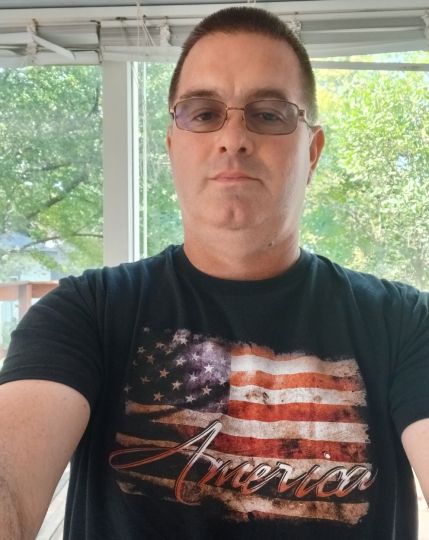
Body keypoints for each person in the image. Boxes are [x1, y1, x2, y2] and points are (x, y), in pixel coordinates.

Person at [0, 6, 428, 540]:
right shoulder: (84, 313)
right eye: (203, 114)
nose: (233, 138)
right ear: (172, 146)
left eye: (268, 114)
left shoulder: (405, 323)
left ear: (312, 152)